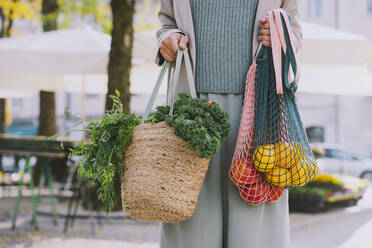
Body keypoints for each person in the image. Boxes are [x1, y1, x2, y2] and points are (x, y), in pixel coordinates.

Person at [156, 1, 302, 248]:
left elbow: (295, 31)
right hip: (193, 113)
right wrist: (168, 38)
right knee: (191, 225)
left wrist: (282, 34)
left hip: (260, 109)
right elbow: (166, 25)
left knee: (255, 228)